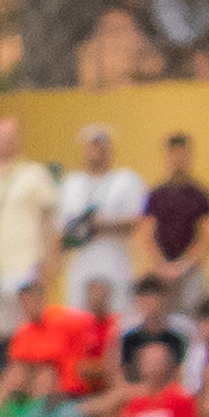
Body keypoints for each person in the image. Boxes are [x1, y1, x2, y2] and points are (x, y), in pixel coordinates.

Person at [0, 115, 62, 320]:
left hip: (29, 267)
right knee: (0, 335)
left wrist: (50, 262)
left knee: (30, 331)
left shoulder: (35, 174)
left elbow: (50, 221)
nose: (4, 143)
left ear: (18, 141)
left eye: (9, 138)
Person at [64, 125, 149, 315]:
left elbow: (134, 221)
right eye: (92, 145)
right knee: (80, 320)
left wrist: (94, 225)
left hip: (116, 264)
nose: (97, 150)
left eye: (101, 145)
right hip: (82, 265)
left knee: (118, 319)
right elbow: (64, 229)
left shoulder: (127, 180)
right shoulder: (72, 183)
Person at [143, 133, 209, 306]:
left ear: (189, 156)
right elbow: (147, 234)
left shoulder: (201, 195)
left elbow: (207, 236)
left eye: (182, 154)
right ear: (167, 156)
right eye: (174, 154)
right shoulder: (155, 195)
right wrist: (163, 266)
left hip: (191, 271)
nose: (178, 159)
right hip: (162, 271)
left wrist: (183, 266)